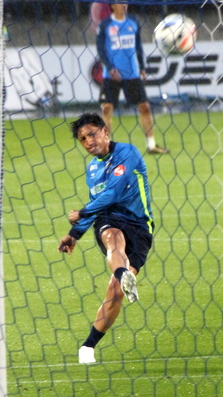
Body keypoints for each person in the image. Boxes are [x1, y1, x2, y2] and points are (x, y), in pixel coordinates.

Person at [58, 112, 156, 364]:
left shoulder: (127, 153)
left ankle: (120, 282)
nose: (89, 141)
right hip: (110, 220)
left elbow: (111, 193)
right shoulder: (92, 169)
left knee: (114, 291)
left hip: (140, 226)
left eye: (92, 134)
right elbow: (99, 204)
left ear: (105, 131)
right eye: (82, 139)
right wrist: (74, 234)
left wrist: (80, 213)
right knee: (112, 237)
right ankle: (86, 349)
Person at [96, 3, 169, 154]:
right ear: (112, 5)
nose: (124, 4)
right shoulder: (105, 25)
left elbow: (138, 46)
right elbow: (101, 49)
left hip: (132, 74)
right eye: (120, 2)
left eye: (125, 2)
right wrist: (110, 68)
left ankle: (151, 145)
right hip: (111, 75)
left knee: (145, 108)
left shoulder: (133, 22)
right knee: (107, 109)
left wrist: (142, 67)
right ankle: (105, 148)